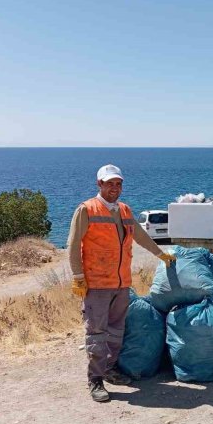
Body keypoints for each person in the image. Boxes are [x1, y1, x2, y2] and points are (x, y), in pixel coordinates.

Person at [68, 164, 176, 402]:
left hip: (120, 283)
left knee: (116, 331)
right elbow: (74, 244)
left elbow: (139, 235)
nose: (114, 188)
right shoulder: (86, 209)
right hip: (96, 284)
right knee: (97, 333)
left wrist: (160, 254)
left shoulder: (125, 210)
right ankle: (95, 381)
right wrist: (78, 277)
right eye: (109, 184)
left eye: (118, 184)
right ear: (99, 184)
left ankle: (109, 369)